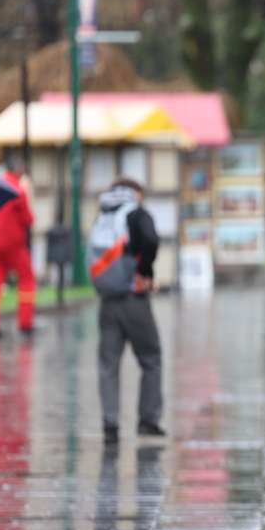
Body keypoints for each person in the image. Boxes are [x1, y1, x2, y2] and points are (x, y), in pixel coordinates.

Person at [88, 179, 165, 444]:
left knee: (108, 364)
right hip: (134, 298)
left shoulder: (104, 214)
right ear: (136, 193)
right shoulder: (136, 213)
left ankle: (110, 424)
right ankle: (148, 420)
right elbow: (152, 239)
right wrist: (146, 272)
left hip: (107, 300)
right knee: (151, 358)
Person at [0, 155, 36, 339]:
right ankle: (25, 323)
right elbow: (28, 219)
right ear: (19, 170)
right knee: (27, 279)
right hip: (13, 246)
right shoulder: (15, 191)